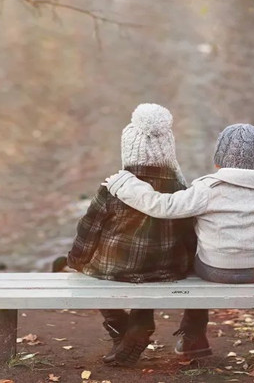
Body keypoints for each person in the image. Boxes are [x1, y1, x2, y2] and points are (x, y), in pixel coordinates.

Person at [104, 123, 254, 363]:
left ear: (219, 161)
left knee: (194, 255)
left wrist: (126, 185)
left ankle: (194, 336)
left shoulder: (206, 189)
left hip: (214, 270)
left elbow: (163, 206)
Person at [67, 103, 204, 366]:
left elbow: (89, 228)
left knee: (93, 274)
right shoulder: (178, 187)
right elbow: (190, 233)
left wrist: (77, 260)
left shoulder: (115, 187)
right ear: (168, 149)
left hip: (116, 267)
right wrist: (188, 262)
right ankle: (141, 319)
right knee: (148, 269)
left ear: (128, 149)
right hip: (167, 268)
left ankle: (120, 327)